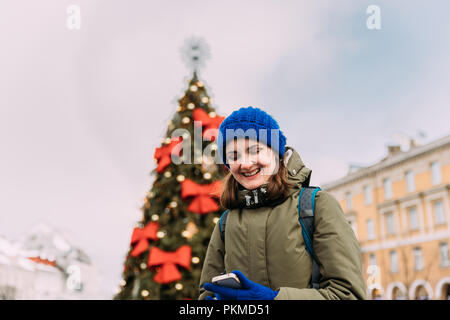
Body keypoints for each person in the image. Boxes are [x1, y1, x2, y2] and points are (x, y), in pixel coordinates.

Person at [198, 106, 366, 300]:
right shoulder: (226, 223)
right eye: (234, 155)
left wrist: (274, 299)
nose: (244, 163)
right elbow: (207, 293)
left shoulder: (317, 206)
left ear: (275, 152)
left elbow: (348, 294)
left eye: (255, 150)